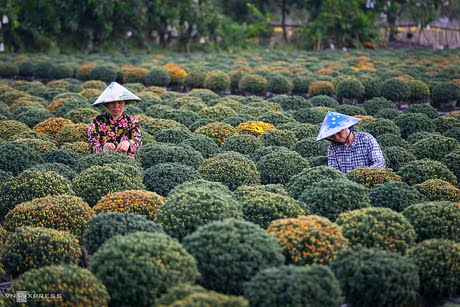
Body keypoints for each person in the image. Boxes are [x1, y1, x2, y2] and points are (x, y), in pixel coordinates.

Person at [316, 111, 386, 173]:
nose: (337, 137)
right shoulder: (332, 148)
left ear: (347, 126)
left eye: (338, 132)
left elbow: (380, 163)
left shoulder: (366, 138)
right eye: (332, 135)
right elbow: (334, 172)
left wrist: (359, 175)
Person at [88, 82, 142, 159]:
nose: (116, 105)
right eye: (112, 102)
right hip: (103, 160)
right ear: (106, 104)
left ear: (125, 103)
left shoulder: (132, 121)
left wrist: (128, 143)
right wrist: (103, 147)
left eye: (120, 102)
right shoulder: (97, 121)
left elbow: (138, 140)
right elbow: (91, 145)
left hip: (127, 161)